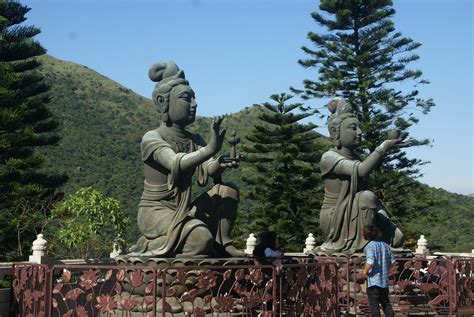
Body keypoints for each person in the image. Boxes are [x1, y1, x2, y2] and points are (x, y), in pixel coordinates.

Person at [128, 62, 242, 257]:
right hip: (156, 212)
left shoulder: (194, 139)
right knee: (201, 239)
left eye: (194, 98)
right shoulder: (152, 138)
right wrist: (210, 148)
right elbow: (175, 163)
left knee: (227, 189)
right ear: (163, 102)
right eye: (186, 98)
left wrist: (219, 163)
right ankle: (149, 245)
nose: (194, 104)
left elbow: (207, 168)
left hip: (185, 210)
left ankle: (224, 243)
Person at [317, 97, 408, 254]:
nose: (359, 132)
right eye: (353, 128)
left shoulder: (357, 157)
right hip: (336, 217)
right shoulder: (329, 157)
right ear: (335, 132)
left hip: (358, 211)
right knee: (366, 196)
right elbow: (361, 171)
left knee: (398, 238)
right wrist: (384, 147)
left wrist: (378, 211)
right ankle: (367, 245)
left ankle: (374, 244)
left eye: (359, 128)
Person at [362, 225, 394, 317]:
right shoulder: (385, 245)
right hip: (384, 281)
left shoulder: (370, 246)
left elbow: (370, 262)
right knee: (386, 304)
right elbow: (392, 262)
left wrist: (364, 272)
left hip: (373, 281)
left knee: (374, 305)